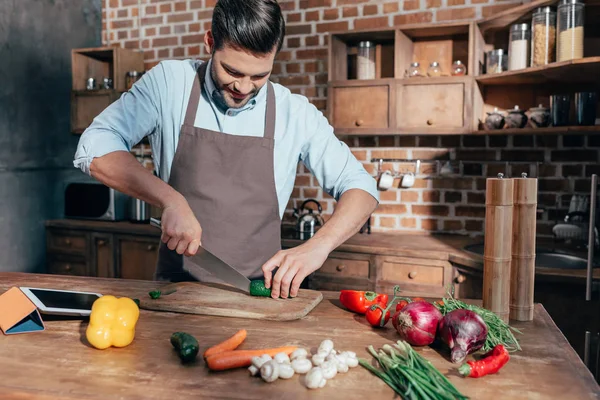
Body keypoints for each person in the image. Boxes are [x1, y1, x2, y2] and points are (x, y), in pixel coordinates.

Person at [73, 0, 379, 299]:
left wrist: (318, 245)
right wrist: (170, 200)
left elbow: (361, 186)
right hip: (177, 294)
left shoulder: (294, 113)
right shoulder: (170, 84)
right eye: (232, 71)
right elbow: (96, 145)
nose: (244, 88)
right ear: (210, 42)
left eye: (259, 75)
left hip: (261, 296)